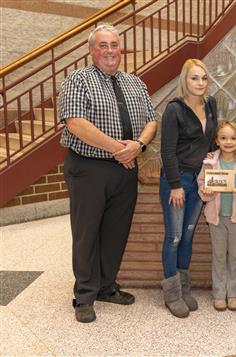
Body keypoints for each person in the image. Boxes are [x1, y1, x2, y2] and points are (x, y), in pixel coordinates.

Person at [59, 24, 157, 323]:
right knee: (87, 232)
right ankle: (84, 295)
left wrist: (138, 144)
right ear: (92, 50)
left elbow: (152, 120)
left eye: (114, 44)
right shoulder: (76, 80)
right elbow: (75, 123)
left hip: (125, 170)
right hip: (89, 168)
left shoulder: (135, 83)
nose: (110, 50)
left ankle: (106, 287)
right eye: (103, 45)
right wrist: (120, 149)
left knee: (115, 232)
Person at [160, 59, 217, 318]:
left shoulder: (211, 104)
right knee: (174, 236)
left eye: (204, 78)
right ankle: (171, 293)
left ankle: (184, 288)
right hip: (178, 180)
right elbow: (167, 150)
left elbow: (210, 143)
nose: (200, 83)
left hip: (200, 179)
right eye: (195, 78)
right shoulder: (175, 109)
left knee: (189, 233)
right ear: (185, 80)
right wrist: (174, 185)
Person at [197, 121, 236, 312]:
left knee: (235, 257)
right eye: (223, 138)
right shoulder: (210, 161)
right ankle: (219, 294)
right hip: (216, 217)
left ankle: (233, 294)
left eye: (232, 138)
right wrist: (206, 191)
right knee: (219, 256)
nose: (228, 142)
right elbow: (202, 186)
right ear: (217, 140)